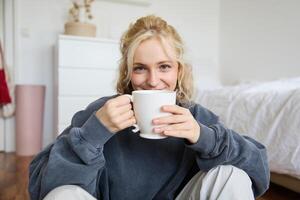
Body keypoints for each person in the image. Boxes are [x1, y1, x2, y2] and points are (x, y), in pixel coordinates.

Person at [29, 15, 270, 200]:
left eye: (164, 66)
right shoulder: (101, 112)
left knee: (232, 176)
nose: (153, 81)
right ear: (128, 73)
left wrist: (203, 137)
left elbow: (259, 168)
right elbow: (40, 183)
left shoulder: (195, 117)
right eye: (140, 68)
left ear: (179, 70)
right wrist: (94, 133)